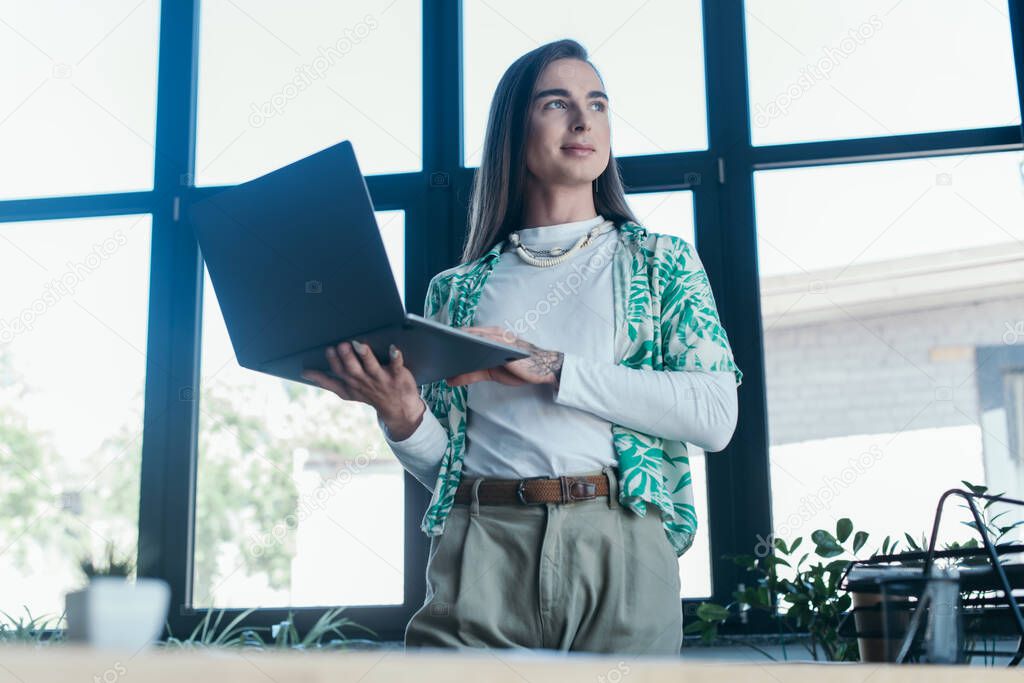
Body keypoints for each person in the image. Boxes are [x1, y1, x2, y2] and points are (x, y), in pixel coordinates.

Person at [301, 38, 743, 656]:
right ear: (514, 129)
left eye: (597, 103)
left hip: (619, 542)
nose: (584, 120)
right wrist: (401, 418)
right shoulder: (456, 292)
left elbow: (715, 417)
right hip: (479, 542)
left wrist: (551, 368)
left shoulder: (659, 262)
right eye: (556, 103)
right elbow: (446, 466)